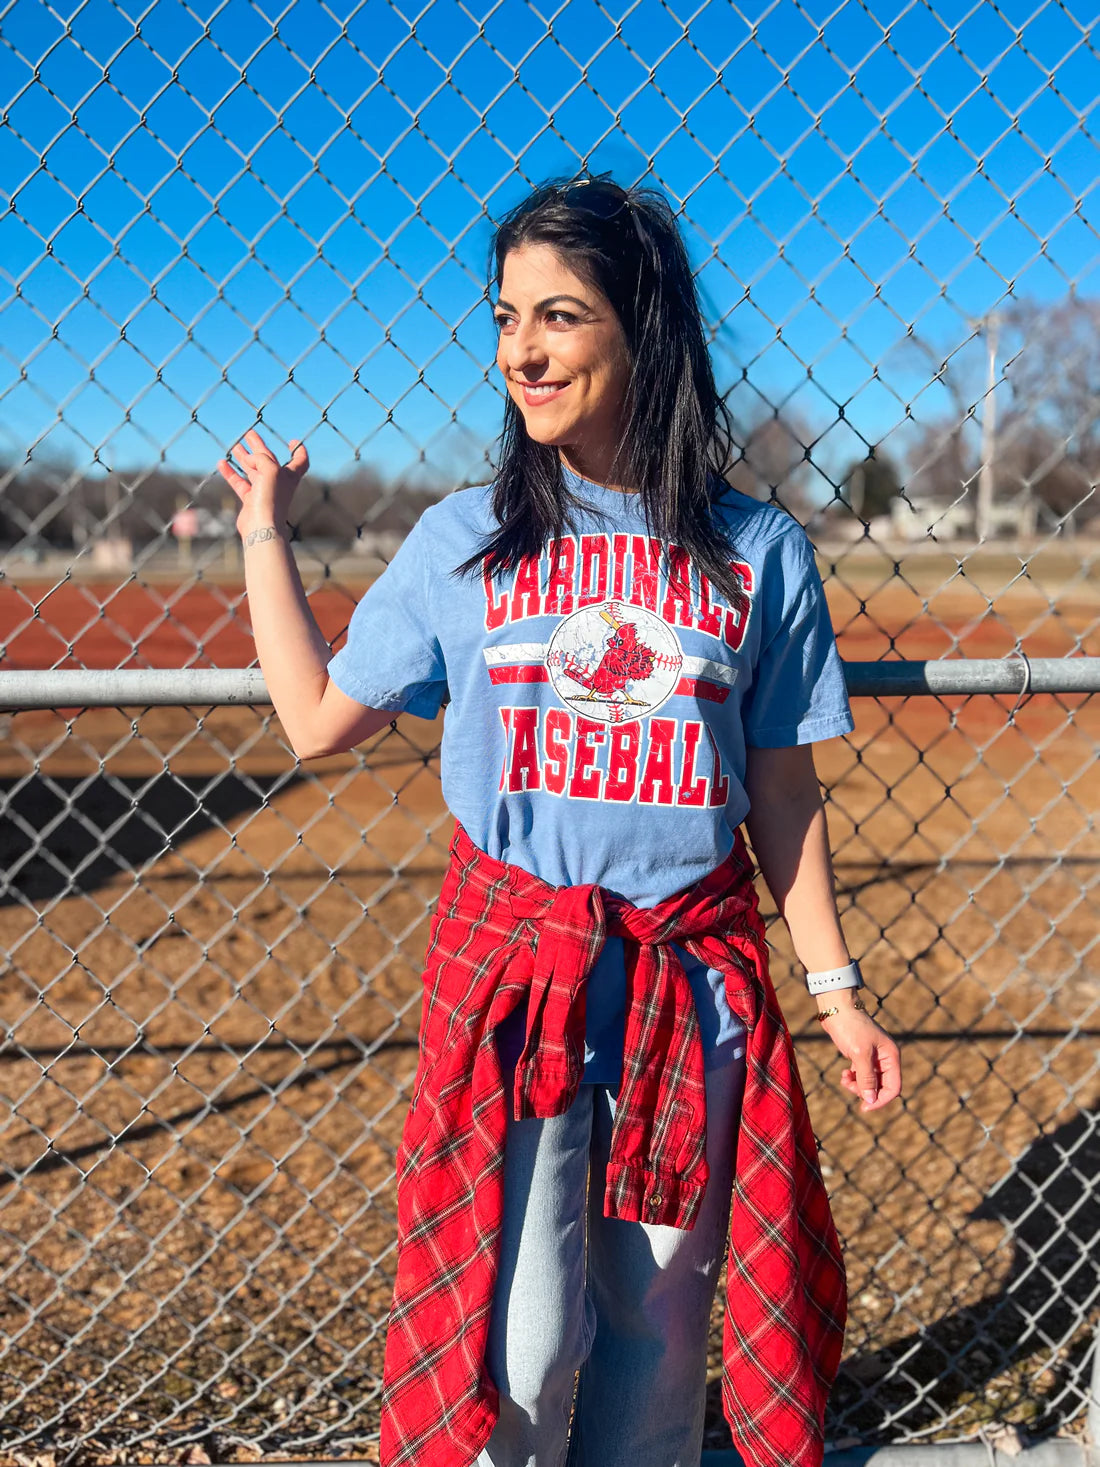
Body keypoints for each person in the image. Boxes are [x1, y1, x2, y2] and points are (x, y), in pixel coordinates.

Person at [217, 174, 902, 1467]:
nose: (521, 351)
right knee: (522, 1344)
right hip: (516, 984)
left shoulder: (758, 553)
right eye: (506, 318)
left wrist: (835, 986)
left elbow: (780, 793)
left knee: (654, 1335)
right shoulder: (463, 541)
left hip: (689, 986)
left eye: (561, 316)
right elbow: (313, 720)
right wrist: (265, 536)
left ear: (643, 327)